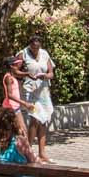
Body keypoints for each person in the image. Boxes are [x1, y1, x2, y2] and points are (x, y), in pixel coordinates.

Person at [14, 35, 56, 165]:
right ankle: (29, 151)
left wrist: (45, 76)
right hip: (30, 90)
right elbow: (15, 71)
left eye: (38, 47)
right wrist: (27, 74)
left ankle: (42, 152)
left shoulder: (44, 54)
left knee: (43, 120)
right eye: (33, 47)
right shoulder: (23, 54)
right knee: (35, 119)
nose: (35, 49)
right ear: (29, 45)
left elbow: (51, 73)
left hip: (43, 91)